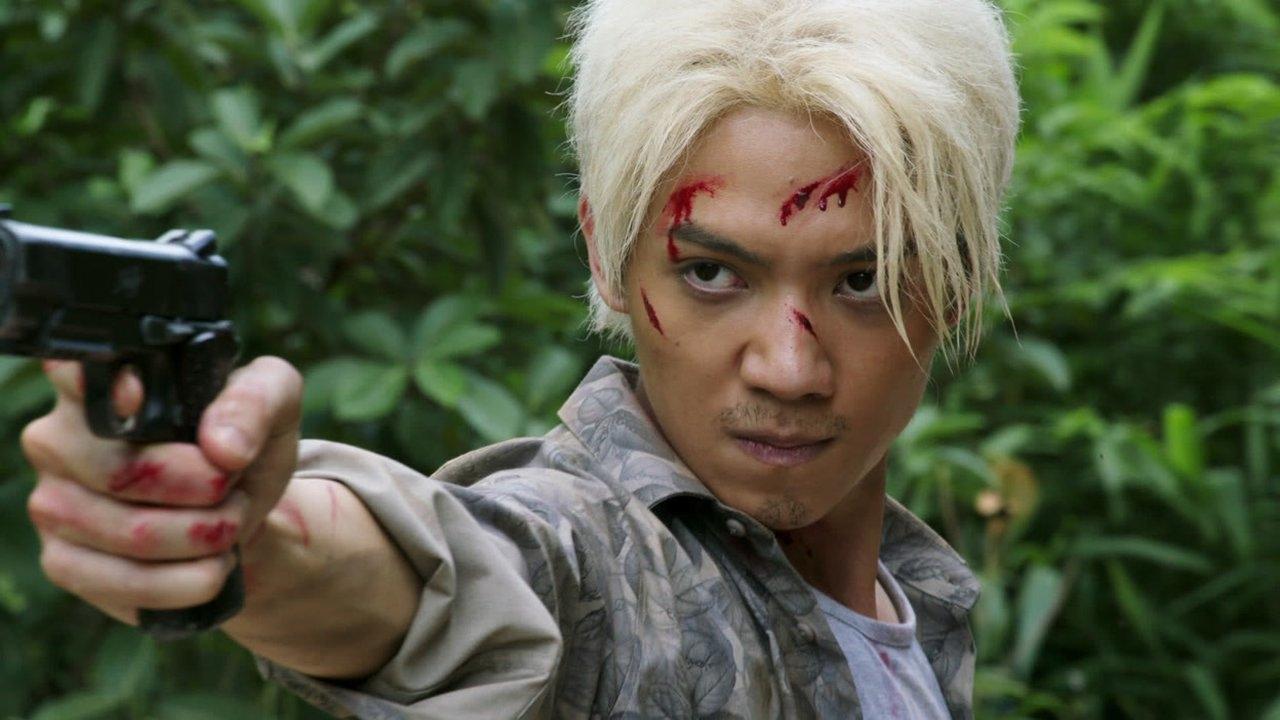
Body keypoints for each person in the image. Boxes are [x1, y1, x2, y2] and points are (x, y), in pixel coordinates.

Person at [20, 0, 1021, 717]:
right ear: (604, 254)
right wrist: (260, 540)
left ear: (962, 281)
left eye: (863, 281)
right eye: (713, 273)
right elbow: (462, 585)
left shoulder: (920, 600)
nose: (788, 370)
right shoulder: (593, 564)